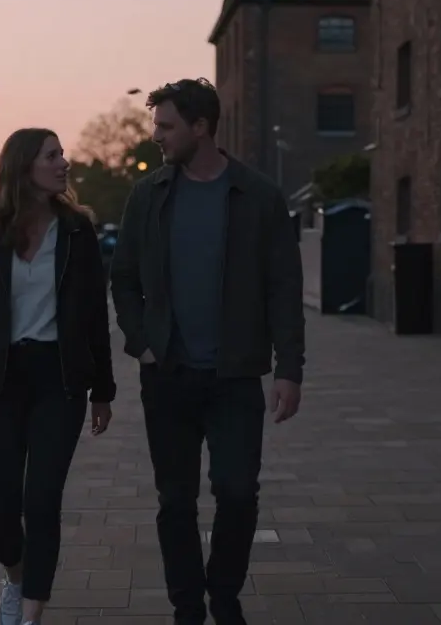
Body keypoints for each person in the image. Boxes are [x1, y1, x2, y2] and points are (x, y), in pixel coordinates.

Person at [109, 78, 305, 625]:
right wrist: (141, 343)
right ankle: (188, 609)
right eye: (156, 125)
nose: (157, 137)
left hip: (235, 376)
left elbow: (284, 289)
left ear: (201, 127)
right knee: (175, 501)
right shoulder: (149, 196)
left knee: (238, 493)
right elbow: (123, 279)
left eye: (166, 126)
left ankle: (224, 596)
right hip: (167, 375)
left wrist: (290, 370)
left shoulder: (259, 196)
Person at [0, 127, 116, 625]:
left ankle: (32, 611)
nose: (65, 163)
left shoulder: (78, 231)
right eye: (52, 156)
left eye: (62, 154)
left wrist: (103, 389)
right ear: (24, 168)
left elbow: (94, 316)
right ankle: (15, 579)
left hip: (59, 379)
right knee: (1, 509)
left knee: (42, 499)